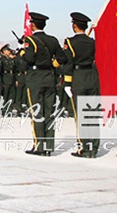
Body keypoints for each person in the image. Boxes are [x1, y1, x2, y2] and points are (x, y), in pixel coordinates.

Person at [19, 11, 66, 156]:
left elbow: (29, 59)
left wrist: (22, 52)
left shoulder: (31, 40)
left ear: (32, 25)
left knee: (37, 112)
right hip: (49, 77)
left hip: (36, 77)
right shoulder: (53, 40)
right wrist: (52, 64)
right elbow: (62, 58)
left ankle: (39, 146)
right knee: (49, 112)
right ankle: (48, 146)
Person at [62, 12, 98, 158]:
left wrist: (67, 82)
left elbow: (68, 62)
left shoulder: (70, 42)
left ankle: (83, 148)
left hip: (79, 79)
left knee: (81, 116)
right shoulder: (93, 42)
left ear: (74, 25)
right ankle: (93, 148)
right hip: (93, 78)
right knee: (93, 115)